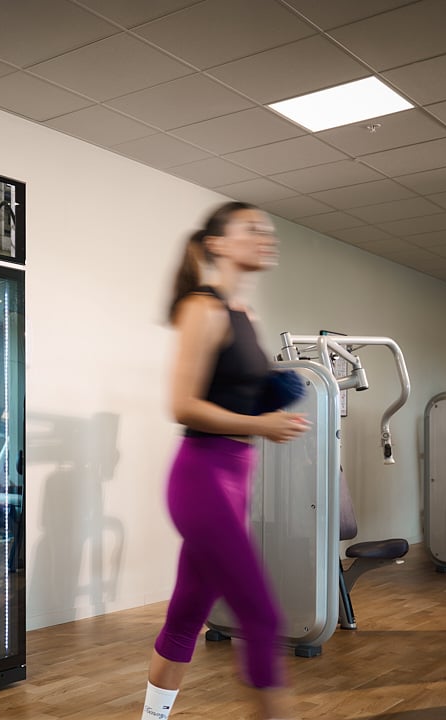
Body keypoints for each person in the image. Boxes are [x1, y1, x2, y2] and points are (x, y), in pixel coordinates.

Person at [141, 202, 310, 720]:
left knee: (187, 614)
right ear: (217, 243)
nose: (266, 237)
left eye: (269, 229)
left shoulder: (246, 316)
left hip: (234, 479)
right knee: (261, 615)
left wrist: (270, 398)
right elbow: (183, 405)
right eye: (252, 229)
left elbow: (233, 396)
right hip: (201, 479)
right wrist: (261, 425)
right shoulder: (203, 308)